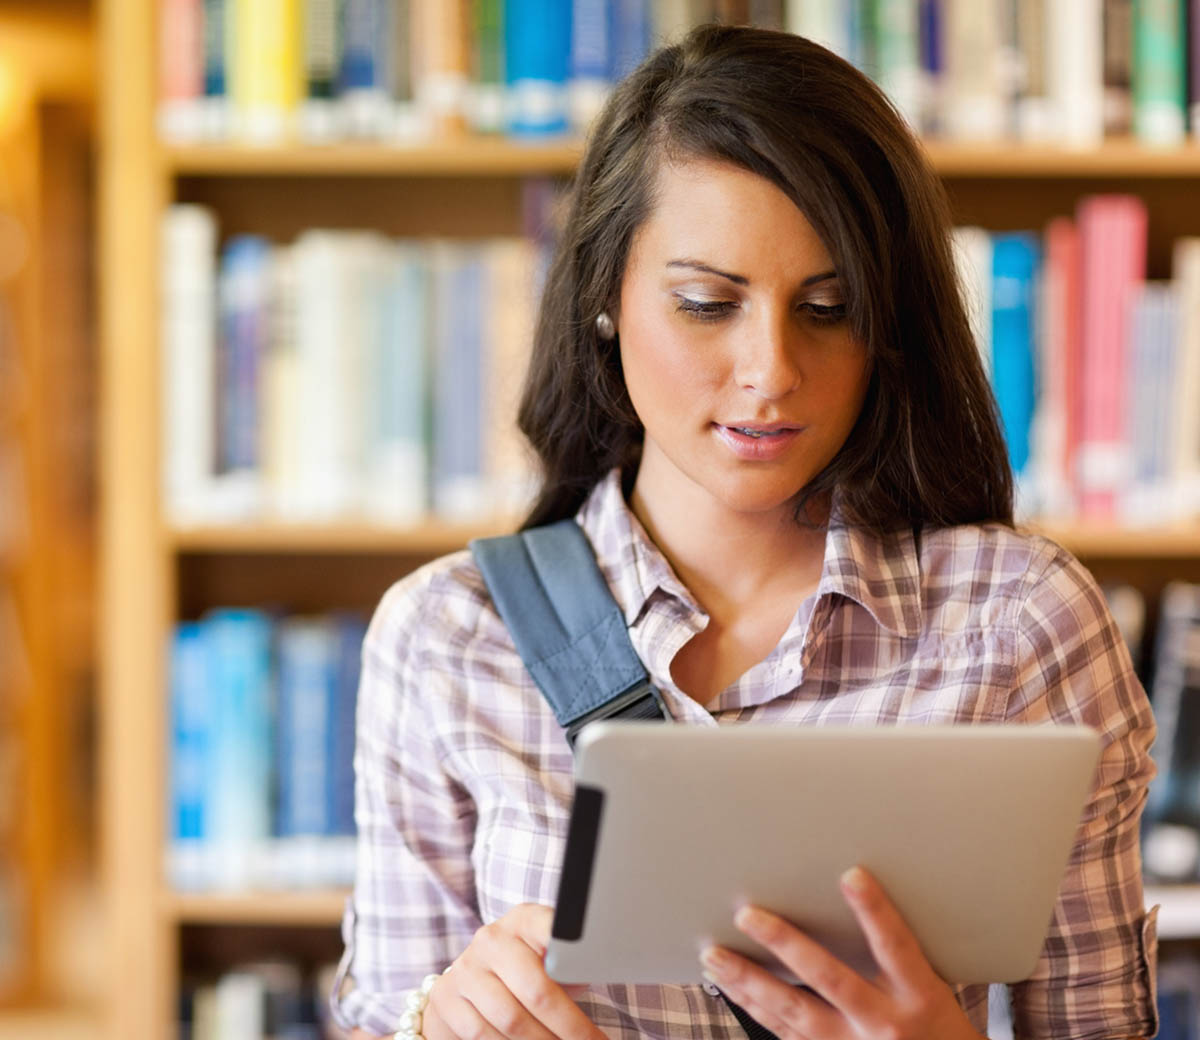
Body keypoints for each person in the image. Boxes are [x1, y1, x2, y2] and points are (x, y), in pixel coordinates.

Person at [330, 23, 1158, 1040]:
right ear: (605, 296)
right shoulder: (447, 636)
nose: (770, 370)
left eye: (828, 307)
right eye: (705, 303)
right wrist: (434, 1017)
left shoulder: (1020, 622)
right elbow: (381, 1011)